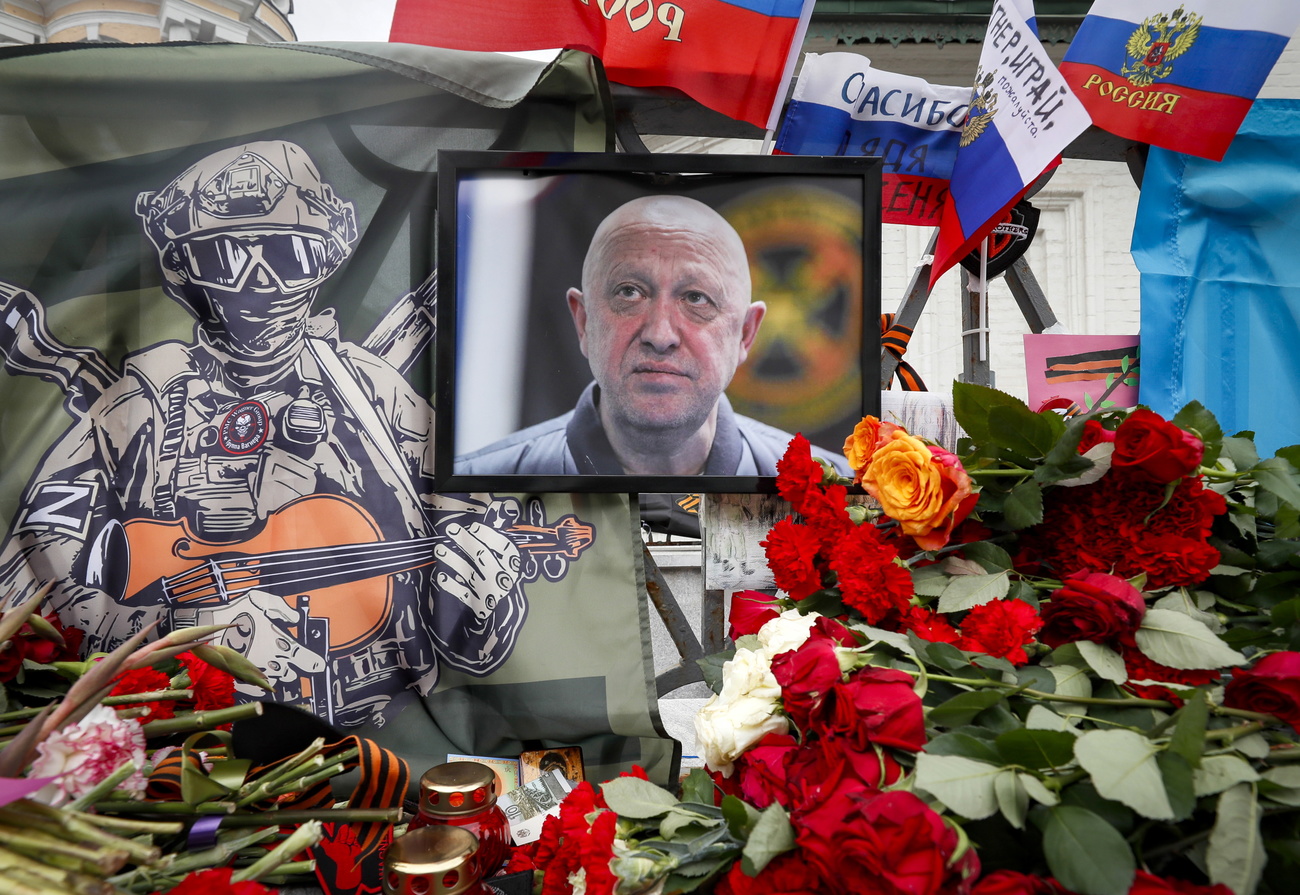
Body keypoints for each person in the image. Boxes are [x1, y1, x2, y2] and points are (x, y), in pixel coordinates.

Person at [0, 140, 589, 730]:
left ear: (325, 260)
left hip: (383, 744)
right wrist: (195, 630)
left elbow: (471, 639)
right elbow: (32, 590)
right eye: (226, 256)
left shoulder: (376, 396)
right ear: (182, 271)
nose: (259, 284)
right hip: (186, 741)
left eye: (287, 254)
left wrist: (483, 603)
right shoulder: (142, 404)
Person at [456, 195, 849, 477]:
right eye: (629, 292)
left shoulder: (835, 494)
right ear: (583, 322)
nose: (660, 335)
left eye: (696, 298)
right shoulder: (470, 492)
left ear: (746, 334)